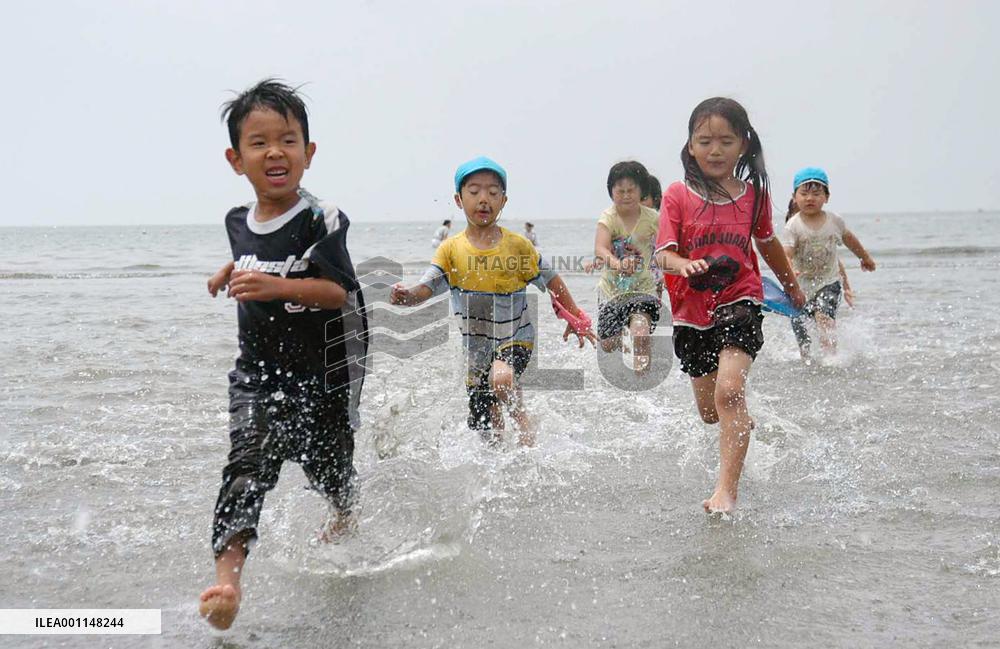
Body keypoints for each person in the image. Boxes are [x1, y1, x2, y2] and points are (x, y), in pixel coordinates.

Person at [199, 79, 369, 630]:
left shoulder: (323, 219)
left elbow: (335, 291)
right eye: (259, 142)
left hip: (322, 373)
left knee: (329, 469)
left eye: (289, 140)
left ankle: (343, 512)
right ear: (236, 159)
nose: (276, 151)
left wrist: (273, 287)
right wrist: (232, 270)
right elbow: (257, 250)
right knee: (245, 466)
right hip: (256, 375)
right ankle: (228, 581)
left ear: (308, 153)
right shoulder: (234, 221)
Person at [654, 97, 806, 515]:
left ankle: (726, 492)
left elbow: (767, 243)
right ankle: (736, 420)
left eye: (726, 141)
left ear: (743, 145)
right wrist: (685, 264)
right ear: (689, 147)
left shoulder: (753, 196)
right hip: (691, 311)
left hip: (740, 298)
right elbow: (663, 255)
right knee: (711, 412)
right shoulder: (677, 195)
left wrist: (792, 288)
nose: (715, 150)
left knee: (730, 390)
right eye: (705, 141)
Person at [391, 156, 596, 447]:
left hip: (516, 337)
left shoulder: (518, 246)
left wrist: (575, 317)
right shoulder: (450, 250)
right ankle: (505, 459)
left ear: (504, 200)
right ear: (459, 200)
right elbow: (428, 286)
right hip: (475, 348)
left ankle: (523, 421)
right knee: (487, 429)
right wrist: (407, 296)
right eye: (474, 192)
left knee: (500, 378)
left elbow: (551, 280)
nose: (484, 199)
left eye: (493, 192)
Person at [782, 167, 876, 359]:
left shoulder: (834, 220)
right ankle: (806, 360)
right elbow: (786, 254)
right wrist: (790, 272)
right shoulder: (793, 226)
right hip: (801, 286)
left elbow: (850, 239)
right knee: (802, 329)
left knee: (824, 316)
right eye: (804, 193)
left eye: (816, 193)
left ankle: (831, 358)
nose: (810, 198)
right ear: (794, 197)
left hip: (828, 281)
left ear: (827, 197)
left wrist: (864, 257)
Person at [593, 161, 661, 373]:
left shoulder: (653, 219)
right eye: (620, 191)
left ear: (641, 190)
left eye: (631, 190)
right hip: (611, 291)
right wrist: (617, 263)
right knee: (608, 345)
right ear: (611, 192)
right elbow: (600, 248)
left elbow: (667, 248)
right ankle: (622, 336)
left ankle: (643, 377)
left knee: (640, 331)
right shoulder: (608, 218)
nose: (625, 195)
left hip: (643, 288)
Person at [640, 175, 666, 302]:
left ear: (655, 199)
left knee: (655, 292)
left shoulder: (659, 222)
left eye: (643, 199)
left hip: (655, 272)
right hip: (633, 273)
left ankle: (657, 306)